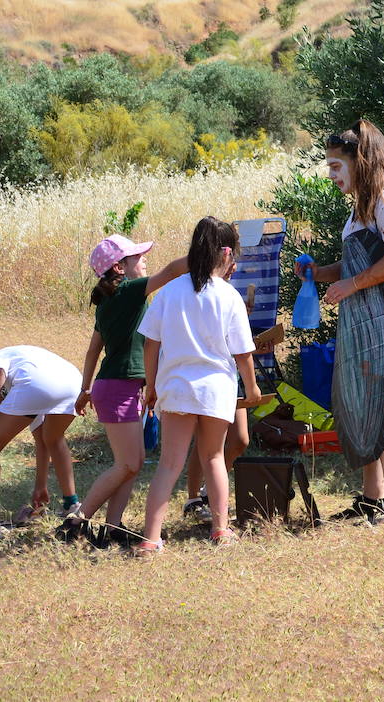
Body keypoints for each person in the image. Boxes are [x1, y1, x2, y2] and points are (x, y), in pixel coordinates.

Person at [296, 119, 384, 525]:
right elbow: (360, 262)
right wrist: (320, 273)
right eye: (328, 166)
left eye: (336, 166)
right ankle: (372, 500)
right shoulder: (365, 205)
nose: (331, 175)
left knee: (381, 403)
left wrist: (350, 284)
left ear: (361, 162)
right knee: (364, 402)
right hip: (369, 316)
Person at [136, 217, 261, 554]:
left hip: (175, 387)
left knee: (169, 464)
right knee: (214, 457)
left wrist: (151, 385)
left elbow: (151, 343)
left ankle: (151, 538)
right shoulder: (229, 296)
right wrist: (251, 389)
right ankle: (221, 529)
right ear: (226, 255)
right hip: (216, 390)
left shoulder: (170, 290)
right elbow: (242, 352)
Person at [57, 234, 188, 546]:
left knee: (133, 463)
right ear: (120, 267)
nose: (144, 261)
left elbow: (92, 352)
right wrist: (204, 255)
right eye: (138, 257)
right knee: (127, 464)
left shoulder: (107, 302)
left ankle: (113, 527)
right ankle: (76, 521)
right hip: (118, 387)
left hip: (117, 386)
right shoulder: (129, 291)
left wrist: (85, 389)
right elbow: (170, 272)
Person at [0, 345, 83, 538]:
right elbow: (41, 441)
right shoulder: (18, 374)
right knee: (52, 438)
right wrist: (40, 486)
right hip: (73, 383)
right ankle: (73, 505)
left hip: (37, 384)